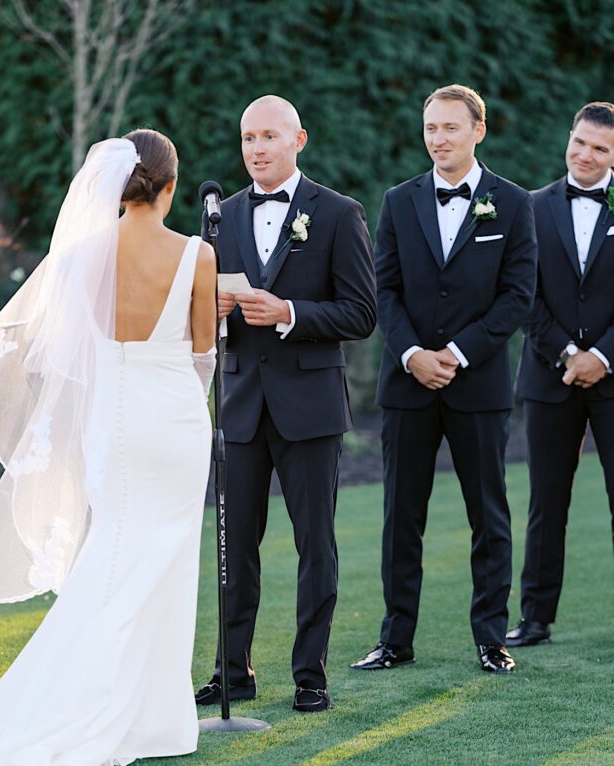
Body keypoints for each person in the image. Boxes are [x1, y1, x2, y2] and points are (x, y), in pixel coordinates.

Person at [0, 131, 217, 766]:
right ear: (168, 185)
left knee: (115, 553)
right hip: (176, 422)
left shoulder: (76, 260)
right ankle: (144, 719)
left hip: (113, 423)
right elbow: (201, 356)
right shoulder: (197, 254)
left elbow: (55, 351)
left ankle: (141, 714)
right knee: (162, 562)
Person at [195, 96, 376, 713]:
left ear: (299, 139)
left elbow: (362, 313)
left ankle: (310, 674)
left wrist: (292, 313)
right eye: (248, 138)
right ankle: (232, 671)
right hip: (241, 402)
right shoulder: (220, 221)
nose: (256, 149)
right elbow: (201, 320)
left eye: (269, 136)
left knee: (314, 544)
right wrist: (209, 310)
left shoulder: (338, 213)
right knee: (232, 545)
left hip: (310, 407)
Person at [352, 84, 537, 676]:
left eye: (451, 128)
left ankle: (490, 637)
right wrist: (411, 353)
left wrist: (457, 352)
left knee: (489, 514)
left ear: (478, 130)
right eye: (431, 128)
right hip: (408, 382)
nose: (439, 139)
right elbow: (385, 288)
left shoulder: (511, 204)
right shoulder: (398, 201)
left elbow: (518, 296)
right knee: (401, 516)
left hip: (478, 383)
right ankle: (395, 638)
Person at [507, 102, 614, 648]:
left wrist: (603, 356)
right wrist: (570, 352)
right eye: (580, 142)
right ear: (568, 139)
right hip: (550, 376)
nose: (586, 155)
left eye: (600, 147)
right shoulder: (530, 207)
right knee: (547, 501)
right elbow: (521, 293)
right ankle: (535, 618)